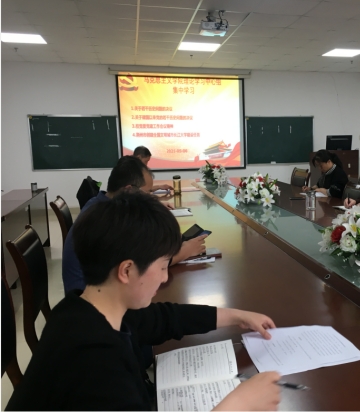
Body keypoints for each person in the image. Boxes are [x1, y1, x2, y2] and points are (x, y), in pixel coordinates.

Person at [6, 192, 281, 411]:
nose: (164, 277)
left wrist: (237, 316)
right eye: (162, 266)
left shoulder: (85, 308)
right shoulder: (97, 362)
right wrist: (239, 404)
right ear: (126, 270)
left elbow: (164, 318)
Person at [62, 156, 205, 294]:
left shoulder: (101, 204)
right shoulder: (107, 220)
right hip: (90, 301)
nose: (150, 197)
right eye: (147, 193)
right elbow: (143, 265)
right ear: (128, 190)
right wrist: (184, 252)